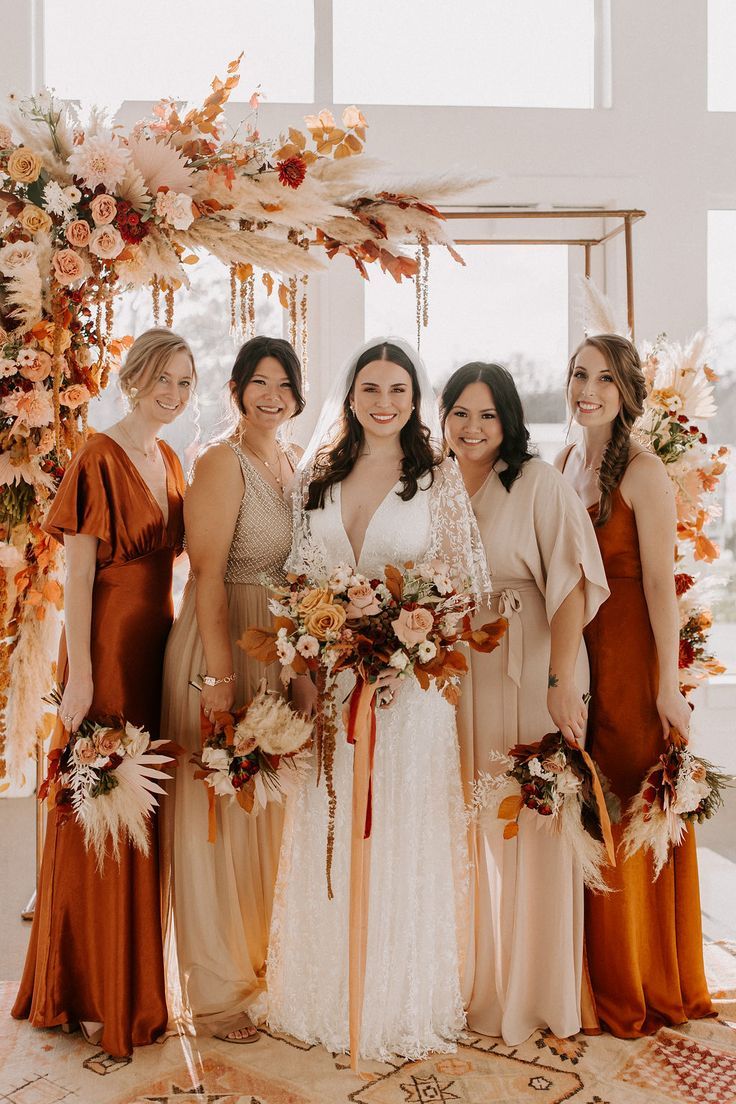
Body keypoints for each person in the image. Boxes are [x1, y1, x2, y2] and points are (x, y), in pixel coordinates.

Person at [266, 338, 490, 1064]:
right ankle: (326, 990)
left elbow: (461, 588)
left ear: (413, 397)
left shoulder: (437, 480)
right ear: (352, 394)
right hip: (332, 684)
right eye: (371, 388)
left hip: (410, 693)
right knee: (330, 822)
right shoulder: (320, 476)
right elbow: (298, 577)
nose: (384, 402)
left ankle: (397, 997)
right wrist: (307, 651)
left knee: (400, 831)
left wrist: (406, 650)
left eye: (398, 389)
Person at [12, 328, 194, 1058]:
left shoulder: (171, 457)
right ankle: (82, 987)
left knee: (140, 804)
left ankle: (136, 984)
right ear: (135, 374)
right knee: (99, 800)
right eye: (163, 377)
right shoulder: (97, 452)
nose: (173, 393)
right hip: (106, 648)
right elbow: (80, 576)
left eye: (185, 381)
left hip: (158, 642)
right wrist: (81, 676)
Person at [441, 362, 609, 1045]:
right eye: (460, 413)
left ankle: (537, 996)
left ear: (509, 421)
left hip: (537, 658)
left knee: (537, 824)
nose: (473, 427)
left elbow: (571, 585)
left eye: (487, 415)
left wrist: (560, 680)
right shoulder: (436, 485)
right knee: (477, 822)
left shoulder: (537, 483)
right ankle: (479, 987)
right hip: (463, 667)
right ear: (444, 418)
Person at [556, 332, 713, 1037]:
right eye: (579, 375)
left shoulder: (643, 472)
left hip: (628, 660)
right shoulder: (564, 462)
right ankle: (589, 977)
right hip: (576, 656)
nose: (587, 389)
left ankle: (639, 979)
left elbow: (658, 584)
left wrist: (668, 685)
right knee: (583, 809)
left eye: (604, 380)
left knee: (625, 808)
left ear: (626, 393)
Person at [160, 335, 305, 1043]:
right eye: (258, 382)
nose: (271, 395)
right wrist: (219, 675)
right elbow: (207, 575)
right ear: (238, 389)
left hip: (275, 648)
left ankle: (260, 970)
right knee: (215, 816)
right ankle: (214, 991)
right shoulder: (221, 462)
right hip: (221, 643)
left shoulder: (293, 463)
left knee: (265, 814)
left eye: (283, 383)